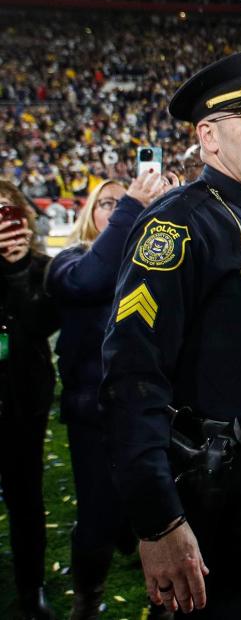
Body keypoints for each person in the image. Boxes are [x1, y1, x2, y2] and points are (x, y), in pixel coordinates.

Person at [100, 50, 241, 618]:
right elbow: (132, 374)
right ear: (209, 137)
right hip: (210, 497)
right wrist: (158, 519)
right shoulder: (178, 224)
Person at [47, 172, 176, 620]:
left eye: (122, 203)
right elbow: (90, 280)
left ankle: (162, 604)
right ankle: (87, 601)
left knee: (158, 515)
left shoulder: (153, 261)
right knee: (97, 520)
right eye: (108, 204)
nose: (119, 208)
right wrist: (133, 206)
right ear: (88, 215)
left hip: (153, 413)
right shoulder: (68, 260)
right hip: (95, 417)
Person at [0, 181, 59, 620]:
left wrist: (20, 270)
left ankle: (31, 585)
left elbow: (42, 326)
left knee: (26, 497)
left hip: (24, 399)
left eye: (8, 209)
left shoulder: (41, 266)